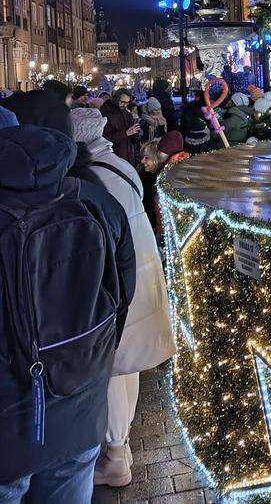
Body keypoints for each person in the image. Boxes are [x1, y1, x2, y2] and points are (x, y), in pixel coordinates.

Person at [0, 125, 136, 504]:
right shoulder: (95, 199)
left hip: (8, 419)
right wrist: (92, 362)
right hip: (80, 403)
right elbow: (122, 293)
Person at [70, 109, 175, 487]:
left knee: (113, 370)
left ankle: (116, 457)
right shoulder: (119, 165)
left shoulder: (91, 176)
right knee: (127, 369)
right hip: (142, 274)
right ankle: (122, 446)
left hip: (121, 284)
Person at [101, 89, 141, 167]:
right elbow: (106, 138)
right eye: (122, 102)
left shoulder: (127, 114)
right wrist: (126, 133)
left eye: (127, 103)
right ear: (116, 99)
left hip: (130, 157)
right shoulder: (106, 114)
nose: (125, 105)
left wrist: (137, 132)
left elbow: (134, 138)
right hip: (115, 158)